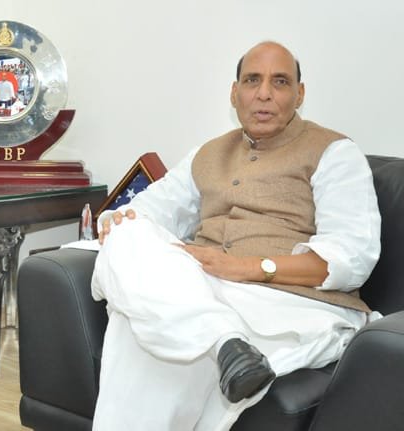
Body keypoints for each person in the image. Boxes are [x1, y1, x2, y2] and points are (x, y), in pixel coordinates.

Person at [90, 41, 381, 430]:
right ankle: (224, 343)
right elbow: (146, 210)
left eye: (280, 81)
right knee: (125, 231)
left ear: (300, 93)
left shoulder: (335, 153)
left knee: (139, 329)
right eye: (252, 80)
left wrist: (248, 267)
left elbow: (352, 257)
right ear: (234, 92)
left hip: (290, 304)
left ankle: (215, 339)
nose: (264, 93)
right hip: (208, 295)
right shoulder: (207, 153)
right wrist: (118, 223)